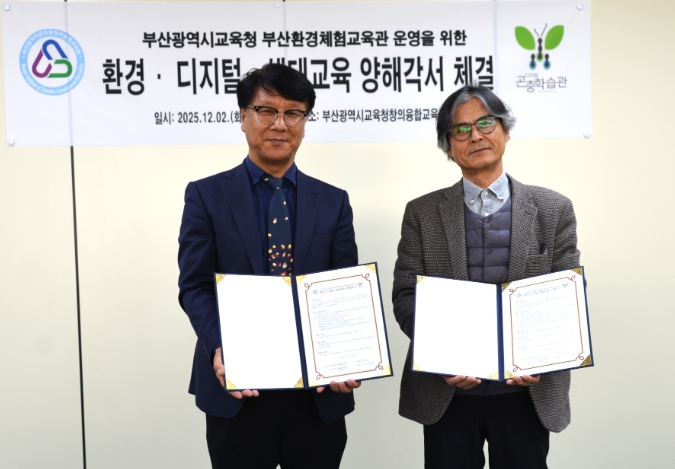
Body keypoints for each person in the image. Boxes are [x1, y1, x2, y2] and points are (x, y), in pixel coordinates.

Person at [178, 63, 360, 469]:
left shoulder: (333, 201)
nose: (280, 124)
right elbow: (195, 286)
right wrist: (220, 347)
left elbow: (343, 288)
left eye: (293, 113)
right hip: (238, 386)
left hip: (316, 393)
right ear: (243, 117)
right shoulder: (206, 196)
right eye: (266, 111)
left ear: (304, 123)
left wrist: (348, 356)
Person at [392, 85, 580, 469]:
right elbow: (405, 295)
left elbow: (568, 294)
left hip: (525, 393)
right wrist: (441, 356)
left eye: (486, 123)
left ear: (505, 131)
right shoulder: (421, 213)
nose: (475, 136)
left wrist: (542, 357)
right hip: (448, 393)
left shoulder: (553, 209)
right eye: (461, 130)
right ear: (448, 146)